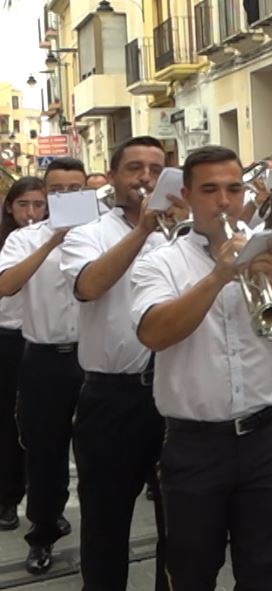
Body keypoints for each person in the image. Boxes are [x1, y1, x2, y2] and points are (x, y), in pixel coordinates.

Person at [132, 145, 272, 591]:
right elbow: (154, 333)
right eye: (210, 190)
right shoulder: (160, 262)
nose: (224, 201)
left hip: (268, 437)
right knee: (192, 570)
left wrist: (266, 278)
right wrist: (219, 275)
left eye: (233, 189)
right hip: (196, 443)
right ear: (189, 197)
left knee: (268, 569)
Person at [60, 137, 178, 590]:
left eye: (155, 169)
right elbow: (88, 286)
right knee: (106, 522)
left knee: (181, 522)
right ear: (111, 178)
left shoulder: (186, 230)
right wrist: (143, 231)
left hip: (175, 390)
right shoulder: (88, 233)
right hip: (113, 396)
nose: (145, 178)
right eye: (134, 168)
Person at [0, 158, 89, 573]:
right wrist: (52, 241)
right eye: (59, 190)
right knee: (45, 453)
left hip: (94, 359)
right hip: (43, 359)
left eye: (77, 188)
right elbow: (6, 284)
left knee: (100, 454)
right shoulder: (25, 238)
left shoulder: (108, 235)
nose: (69, 196)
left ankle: (103, 536)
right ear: (48, 194)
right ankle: (43, 532)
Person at [0, 179, 36, 535]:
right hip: (7, 335)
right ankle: (8, 497)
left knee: (40, 426)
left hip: (40, 339)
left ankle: (42, 504)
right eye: (23, 205)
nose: (30, 213)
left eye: (38, 205)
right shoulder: (8, 243)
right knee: (7, 423)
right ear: (9, 207)